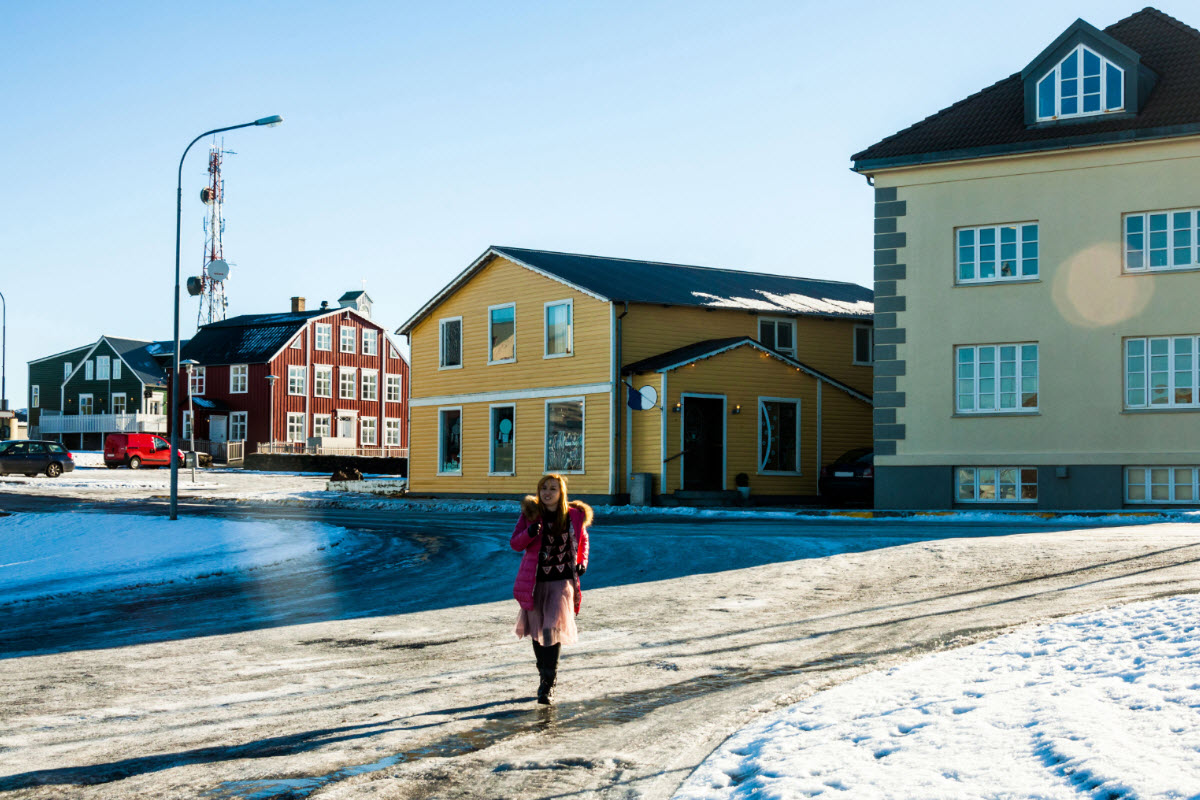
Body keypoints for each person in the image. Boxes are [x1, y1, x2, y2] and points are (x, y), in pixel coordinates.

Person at [510, 473, 592, 704]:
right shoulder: (530, 515)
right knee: (537, 629)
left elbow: (583, 541)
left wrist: (581, 561)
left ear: (561, 492)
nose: (547, 492)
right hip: (535, 581)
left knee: (551, 628)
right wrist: (529, 533)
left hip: (561, 581)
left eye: (553, 488)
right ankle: (543, 674)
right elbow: (515, 543)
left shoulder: (574, 515)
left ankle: (549, 683)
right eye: (544, 488)